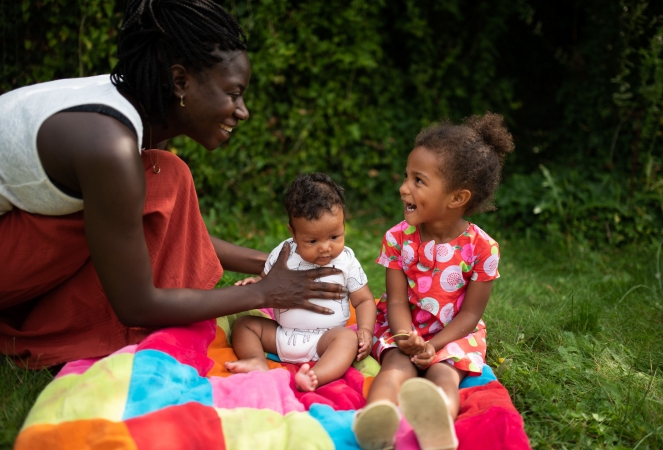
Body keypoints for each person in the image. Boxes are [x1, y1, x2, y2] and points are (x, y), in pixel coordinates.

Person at [0, 0, 347, 369]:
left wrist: (280, 263)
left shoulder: (139, 109)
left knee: (164, 175)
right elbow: (136, 304)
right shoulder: (109, 147)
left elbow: (157, 227)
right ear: (181, 82)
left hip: (18, 239)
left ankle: (39, 319)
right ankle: (45, 334)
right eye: (233, 93)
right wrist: (264, 293)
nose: (242, 110)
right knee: (167, 175)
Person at [352, 113, 514, 450]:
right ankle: (377, 419)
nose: (404, 187)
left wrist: (435, 346)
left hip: (454, 333)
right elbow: (396, 301)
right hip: (404, 326)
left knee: (445, 375)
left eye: (418, 181)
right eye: (406, 176)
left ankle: (438, 428)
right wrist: (405, 337)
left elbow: (470, 316)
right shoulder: (398, 239)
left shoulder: (482, 249)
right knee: (394, 367)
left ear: (456, 198)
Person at [224, 174, 377, 392]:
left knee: (348, 339)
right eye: (312, 241)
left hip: (326, 340)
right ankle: (256, 360)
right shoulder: (284, 253)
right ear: (293, 234)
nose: (325, 248)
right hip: (280, 335)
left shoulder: (346, 261)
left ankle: (316, 376)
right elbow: (268, 280)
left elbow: (363, 300)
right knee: (244, 325)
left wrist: (365, 330)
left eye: (335, 237)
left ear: (343, 225)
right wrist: (256, 282)